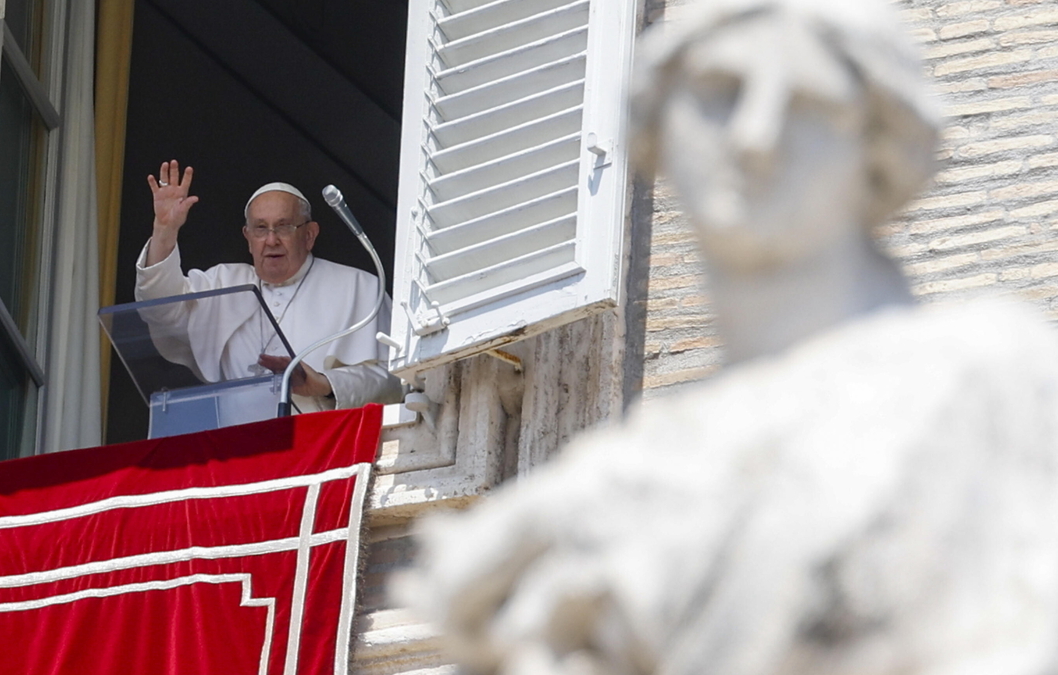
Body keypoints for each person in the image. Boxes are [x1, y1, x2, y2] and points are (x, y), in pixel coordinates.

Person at [400, 2, 1058, 675]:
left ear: (878, 145)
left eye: (808, 103)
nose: (755, 135)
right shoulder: (614, 480)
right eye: (719, 93)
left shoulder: (988, 378)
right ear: (656, 126)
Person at [135, 159, 404, 415]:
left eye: (284, 227)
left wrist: (322, 383)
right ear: (248, 238)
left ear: (309, 235)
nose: (271, 240)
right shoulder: (223, 283)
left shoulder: (359, 287)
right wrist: (165, 230)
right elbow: (159, 310)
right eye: (261, 229)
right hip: (238, 447)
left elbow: (397, 381)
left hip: (324, 449)